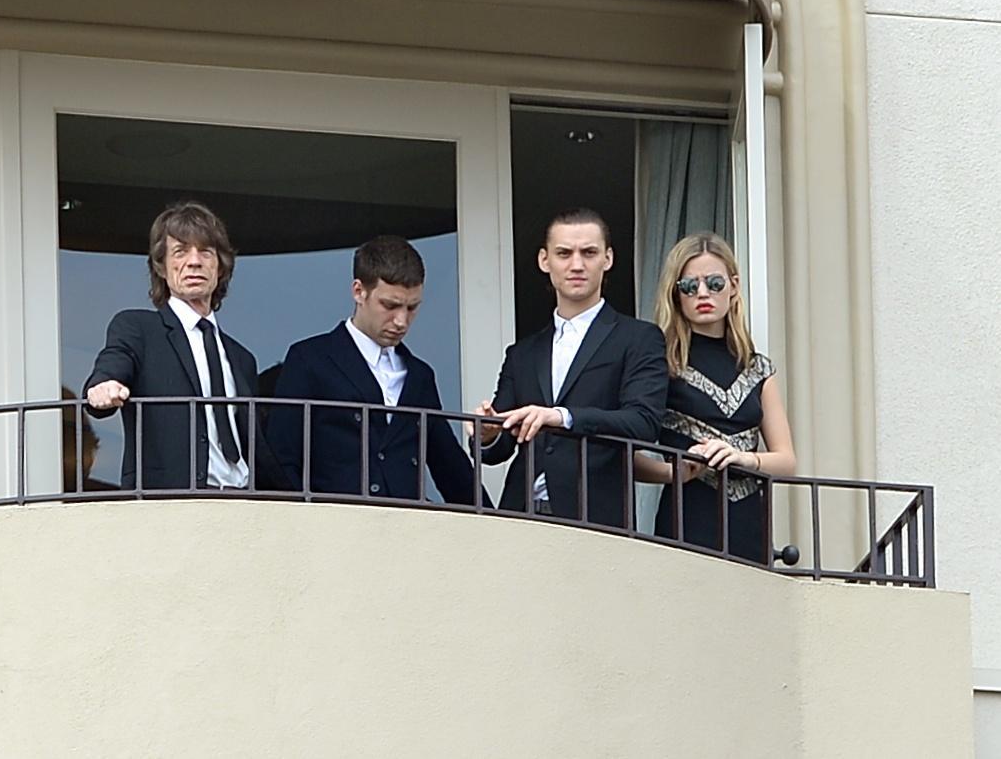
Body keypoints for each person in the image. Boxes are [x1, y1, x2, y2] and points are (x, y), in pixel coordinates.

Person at [470, 208, 668, 528]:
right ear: (544, 260)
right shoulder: (523, 353)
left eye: (589, 253)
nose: (577, 264)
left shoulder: (639, 338)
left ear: (608, 258)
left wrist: (562, 417)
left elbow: (644, 422)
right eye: (564, 253)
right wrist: (487, 434)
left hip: (595, 519)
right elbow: (495, 452)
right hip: (519, 517)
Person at [83, 201, 287, 491]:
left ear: (220, 267)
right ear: (162, 267)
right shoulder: (139, 329)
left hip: (240, 500)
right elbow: (114, 362)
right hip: (173, 503)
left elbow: (253, 445)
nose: (194, 262)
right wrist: (104, 386)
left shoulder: (242, 358)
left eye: (206, 252)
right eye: (180, 251)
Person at [267, 236, 481, 504]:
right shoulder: (310, 360)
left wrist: (492, 523)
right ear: (359, 291)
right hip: (331, 523)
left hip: (406, 525)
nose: (401, 321)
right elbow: (281, 458)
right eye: (390, 305)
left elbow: (451, 468)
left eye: (412, 307)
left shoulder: (420, 376)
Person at [638, 231, 796, 562]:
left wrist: (745, 459)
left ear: (734, 286)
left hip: (749, 522)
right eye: (689, 286)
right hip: (687, 516)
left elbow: (786, 460)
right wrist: (673, 472)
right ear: (676, 294)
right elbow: (624, 453)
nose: (703, 293)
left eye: (714, 283)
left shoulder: (757, 368)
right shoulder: (659, 363)